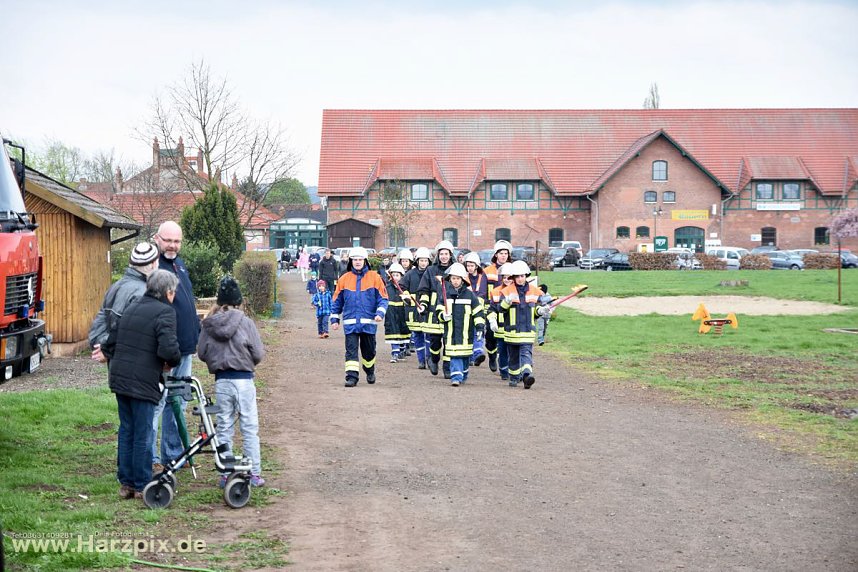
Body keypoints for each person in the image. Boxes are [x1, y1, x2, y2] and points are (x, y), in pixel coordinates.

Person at [103, 270, 181, 499]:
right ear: (168, 292)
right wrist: (170, 362)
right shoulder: (166, 312)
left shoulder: (132, 307)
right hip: (143, 381)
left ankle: (126, 483)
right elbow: (169, 350)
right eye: (173, 292)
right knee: (143, 432)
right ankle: (141, 484)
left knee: (127, 429)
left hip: (120, 378)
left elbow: (110, 345)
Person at [196, 276, 266, 488]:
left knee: (224, 425)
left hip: (222, 380)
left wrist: (215, 361)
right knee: (249, 426)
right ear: (239, 301)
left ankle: (225, 472)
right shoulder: (246, 323)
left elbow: (201, 352)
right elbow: (258, 352)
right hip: (244, 379)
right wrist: (248, 361)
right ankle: (253, 472)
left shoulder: (209, 323)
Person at [152, 221, 201, 471]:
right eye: (168, 240)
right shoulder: (154, 268)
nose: (172, 245)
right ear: (157, 239)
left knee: (178, 402)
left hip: (184, 350)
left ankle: (171, 454)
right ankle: (150, 460)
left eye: (177, 241)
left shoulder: (179, 265)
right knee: (157, 402)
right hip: (164, 353)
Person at [89, 242, 160, 363]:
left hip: (116, 364)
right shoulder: (144, 293)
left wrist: (104, 348)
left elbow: (98, 327)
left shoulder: (115, 287)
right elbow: (137, 334)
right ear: (153, 264)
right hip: (137, 364)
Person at [330, 247, 389, 387]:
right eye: (355, 259)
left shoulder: (375, 277)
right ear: (351, 261)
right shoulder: (344, 279)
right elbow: (337, 300)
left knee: (369, 352)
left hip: (369, 323)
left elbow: (383, 298)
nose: (357, 262)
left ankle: (369, 370)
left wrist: (380, 313)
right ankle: (352, 377)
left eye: (360, 259)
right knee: (351, 351)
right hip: (350, 323)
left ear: (365, 261)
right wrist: (334, 319)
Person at [436, 263, 485, 387]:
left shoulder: (470, 296)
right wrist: (443, 316)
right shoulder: (445, 294)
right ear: (450, 279)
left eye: (458, 278)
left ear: (462, 279)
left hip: (466, 333)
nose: (455, 281)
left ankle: (463, 374)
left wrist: (479, 327)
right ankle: (456, 377)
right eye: (453, 278)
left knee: (464, 357)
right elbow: (439, 311)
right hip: (451, 333)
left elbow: (478, 312)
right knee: (454, 355)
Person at [497, 260, 541, 389]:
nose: (520, 279)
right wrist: (507, 301)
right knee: (514, 357)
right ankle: (514, 377)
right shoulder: (506, 291)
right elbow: (500, 309)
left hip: (527, 331)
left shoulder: (534, 291)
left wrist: (541, 311)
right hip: (512, 332)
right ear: (513, 277)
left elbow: (535, 311)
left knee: (526, 354)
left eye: (522, 276)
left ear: (526, 275)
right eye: (517, 276)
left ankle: (527, 376)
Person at [417, 240, 455, 378]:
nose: (444, 256)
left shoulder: (456, 269)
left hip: (450, 309)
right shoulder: (431, 270)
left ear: (451, 255)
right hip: (434, 311)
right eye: (442, 254)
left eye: (446, 254)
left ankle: (447, 368)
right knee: (434, 340)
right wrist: (424, 305)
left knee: (448, 341)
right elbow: (424, 290)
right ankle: (433, 359)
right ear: (438, 255)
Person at [482, 240, 512, 373]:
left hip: (509, 309)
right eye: (501, 253)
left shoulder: (513, 269)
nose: (503, 256)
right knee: (490, 336)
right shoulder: (488, 271)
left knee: (506, 336)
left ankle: (504, 361)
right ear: (496, 255)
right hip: (492, 307)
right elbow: (482, 290)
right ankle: (492, 355)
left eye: (506, 253)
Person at [401, 247, 431, 369]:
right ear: (417, 261)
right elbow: (402, 287)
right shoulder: (410, 274)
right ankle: (421, 360)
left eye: (425, 260)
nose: (423, 263)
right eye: (421, 260)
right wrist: (406, 296)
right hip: (413, 311)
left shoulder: (431, 273)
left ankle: (429, 358)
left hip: (427, 310)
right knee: (417, 335)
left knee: (429, 335)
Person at [488, 262, 514, 382]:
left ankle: (514, 371)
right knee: (502, 350)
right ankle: (504, 371)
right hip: (500, 328)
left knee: (513, 351)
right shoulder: (495, 292)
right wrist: (492, 320)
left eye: (509, 277)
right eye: (505, 277)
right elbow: (492, 308)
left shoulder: (519, 291)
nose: (507, 280)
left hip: (514, 328)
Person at [462, 252, 488, 367]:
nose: (470, 268)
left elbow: (483, 293)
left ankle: (477, 353)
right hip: (466, 310)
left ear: (476, 266)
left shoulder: (483, 277)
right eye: (468, 265)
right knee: (467, 333)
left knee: (478, 331)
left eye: (472, 265)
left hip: (478, 310)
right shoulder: (463, 276)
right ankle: (470, 356)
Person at [383, 263, 411, 362]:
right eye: (393, 275)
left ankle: (401, 351)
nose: (395, 277)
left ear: (401, 276)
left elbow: (409, 302)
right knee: (393, 332)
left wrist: (406, 298)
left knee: (402, 333)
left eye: (397, 275)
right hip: (390, 314)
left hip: (402, 314)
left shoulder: (404, 288)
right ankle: (395, 353)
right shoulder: (387, 288)